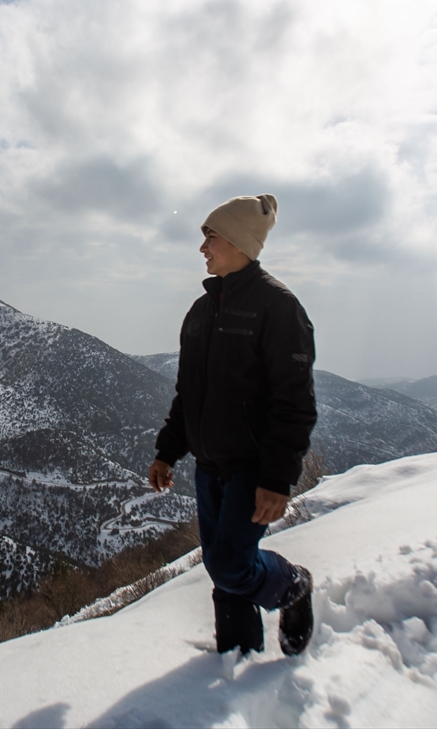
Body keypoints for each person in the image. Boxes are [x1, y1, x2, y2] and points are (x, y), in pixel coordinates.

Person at [151, 193, 318, 656]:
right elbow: (190, 394)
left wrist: (277, 479)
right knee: (223, 570)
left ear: (240, 242)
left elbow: (295, 403)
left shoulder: (278, 308)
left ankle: (293, 586)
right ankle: (237, 657)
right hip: (209, 467)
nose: (202, 247)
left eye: (211, 237)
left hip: (251, 468)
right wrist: (168, 451)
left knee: (230, 565)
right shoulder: (201, 313)